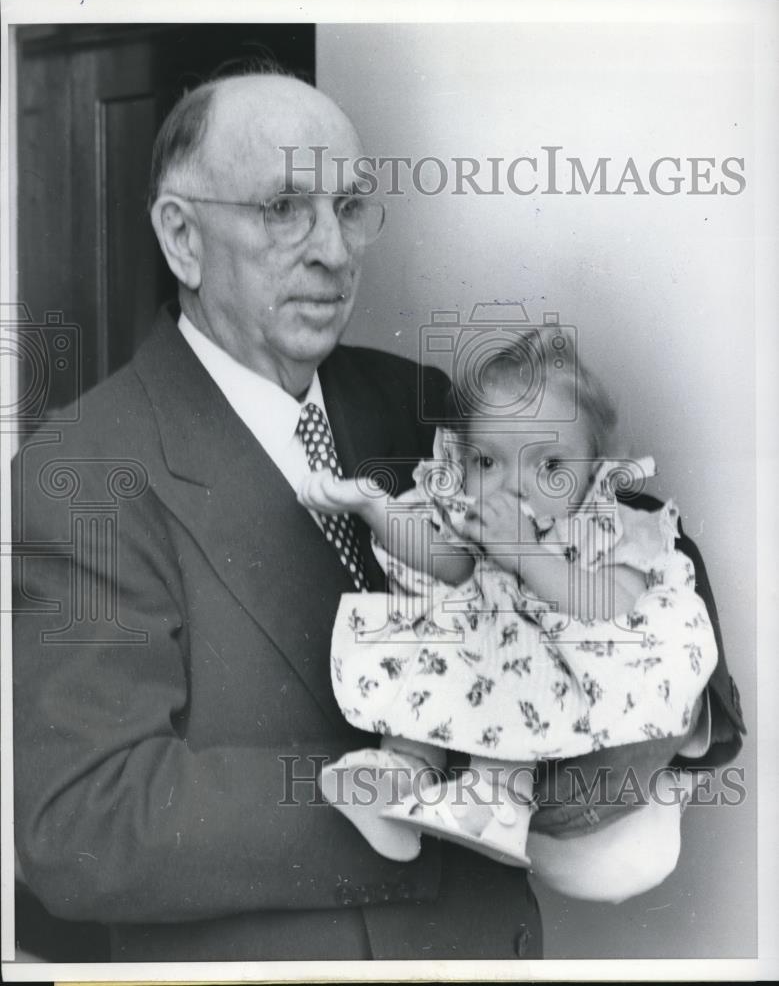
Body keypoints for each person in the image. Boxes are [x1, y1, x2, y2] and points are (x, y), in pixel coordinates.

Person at [11, 71, 745, 963]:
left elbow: (618, 528)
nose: (333, 248)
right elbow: (85, 819)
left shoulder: (417, 402)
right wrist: (421, 802)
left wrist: (634, 632)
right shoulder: (85, 469)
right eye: (285, 205)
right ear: (182, 237)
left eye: (351, 206)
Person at [298, 331, 717, 892]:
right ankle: (400, 774)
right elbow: (440, 560)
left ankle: (496, 802)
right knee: (428, 643)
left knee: (518, 670)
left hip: (564, 677)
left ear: (595, 472)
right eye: (488, 460)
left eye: (548, 465)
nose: (512, 486)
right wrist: (376, 509)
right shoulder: (476, 521)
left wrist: (524, 552)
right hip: (472, 660)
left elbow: (607, 607)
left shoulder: (607, 529)